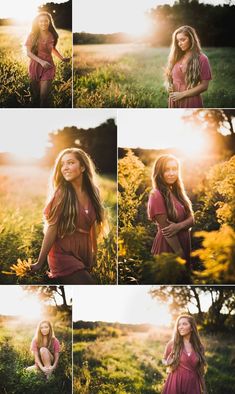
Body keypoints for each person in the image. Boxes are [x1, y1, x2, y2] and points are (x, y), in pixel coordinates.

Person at [31, 148, 105, 284]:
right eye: (62, 164)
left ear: (82, 167)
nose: (65, 168)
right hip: (62, 253)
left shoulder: (94, 192)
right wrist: (39, 263)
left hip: (84, 252)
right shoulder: (62, 193)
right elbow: (51, 229)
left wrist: (94, 253)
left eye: (70, 163)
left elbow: (93, 227)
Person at [148, 154, 194, 265]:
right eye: (167, 170)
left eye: (174, 169)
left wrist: (178, 226)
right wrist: (181, 257)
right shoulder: (156, 194)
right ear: (159, 173)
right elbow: (167, 232)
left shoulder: (177, 192)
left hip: (184, 245)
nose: (172, 173)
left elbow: (192, 219)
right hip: (170, 249)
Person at [25, 12, 70, 107]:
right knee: (36, 95)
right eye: (40, 21)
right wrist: (41, 62)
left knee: (43, 97)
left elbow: (52, 49)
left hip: (48, 67)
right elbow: (28, 53)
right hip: (35, 66)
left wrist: (62, 58)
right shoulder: (32, 35)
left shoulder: (52, 35)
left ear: (49, 22)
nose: (43, 23)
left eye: (46, 21)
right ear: (37, 23)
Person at [165, 25, 212, 108]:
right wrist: (169, 86)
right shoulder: (176, 57)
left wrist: (182, 94)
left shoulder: (202, 58)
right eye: (177, 41)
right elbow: (172, 79)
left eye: (183, 40)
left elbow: (204, 86)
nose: (179, 43)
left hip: (190, 100)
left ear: (191, 39)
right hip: (174, 99)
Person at [162, 314, 207, 394]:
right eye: (179, 325)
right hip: (175, 382)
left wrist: (204, 389)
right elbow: (164, 360)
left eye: (184, 324)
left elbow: (201, 371)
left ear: (192, 328)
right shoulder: (172, 344)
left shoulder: (199, 347)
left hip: (192, 384)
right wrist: (167, 363)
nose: (180, 327)